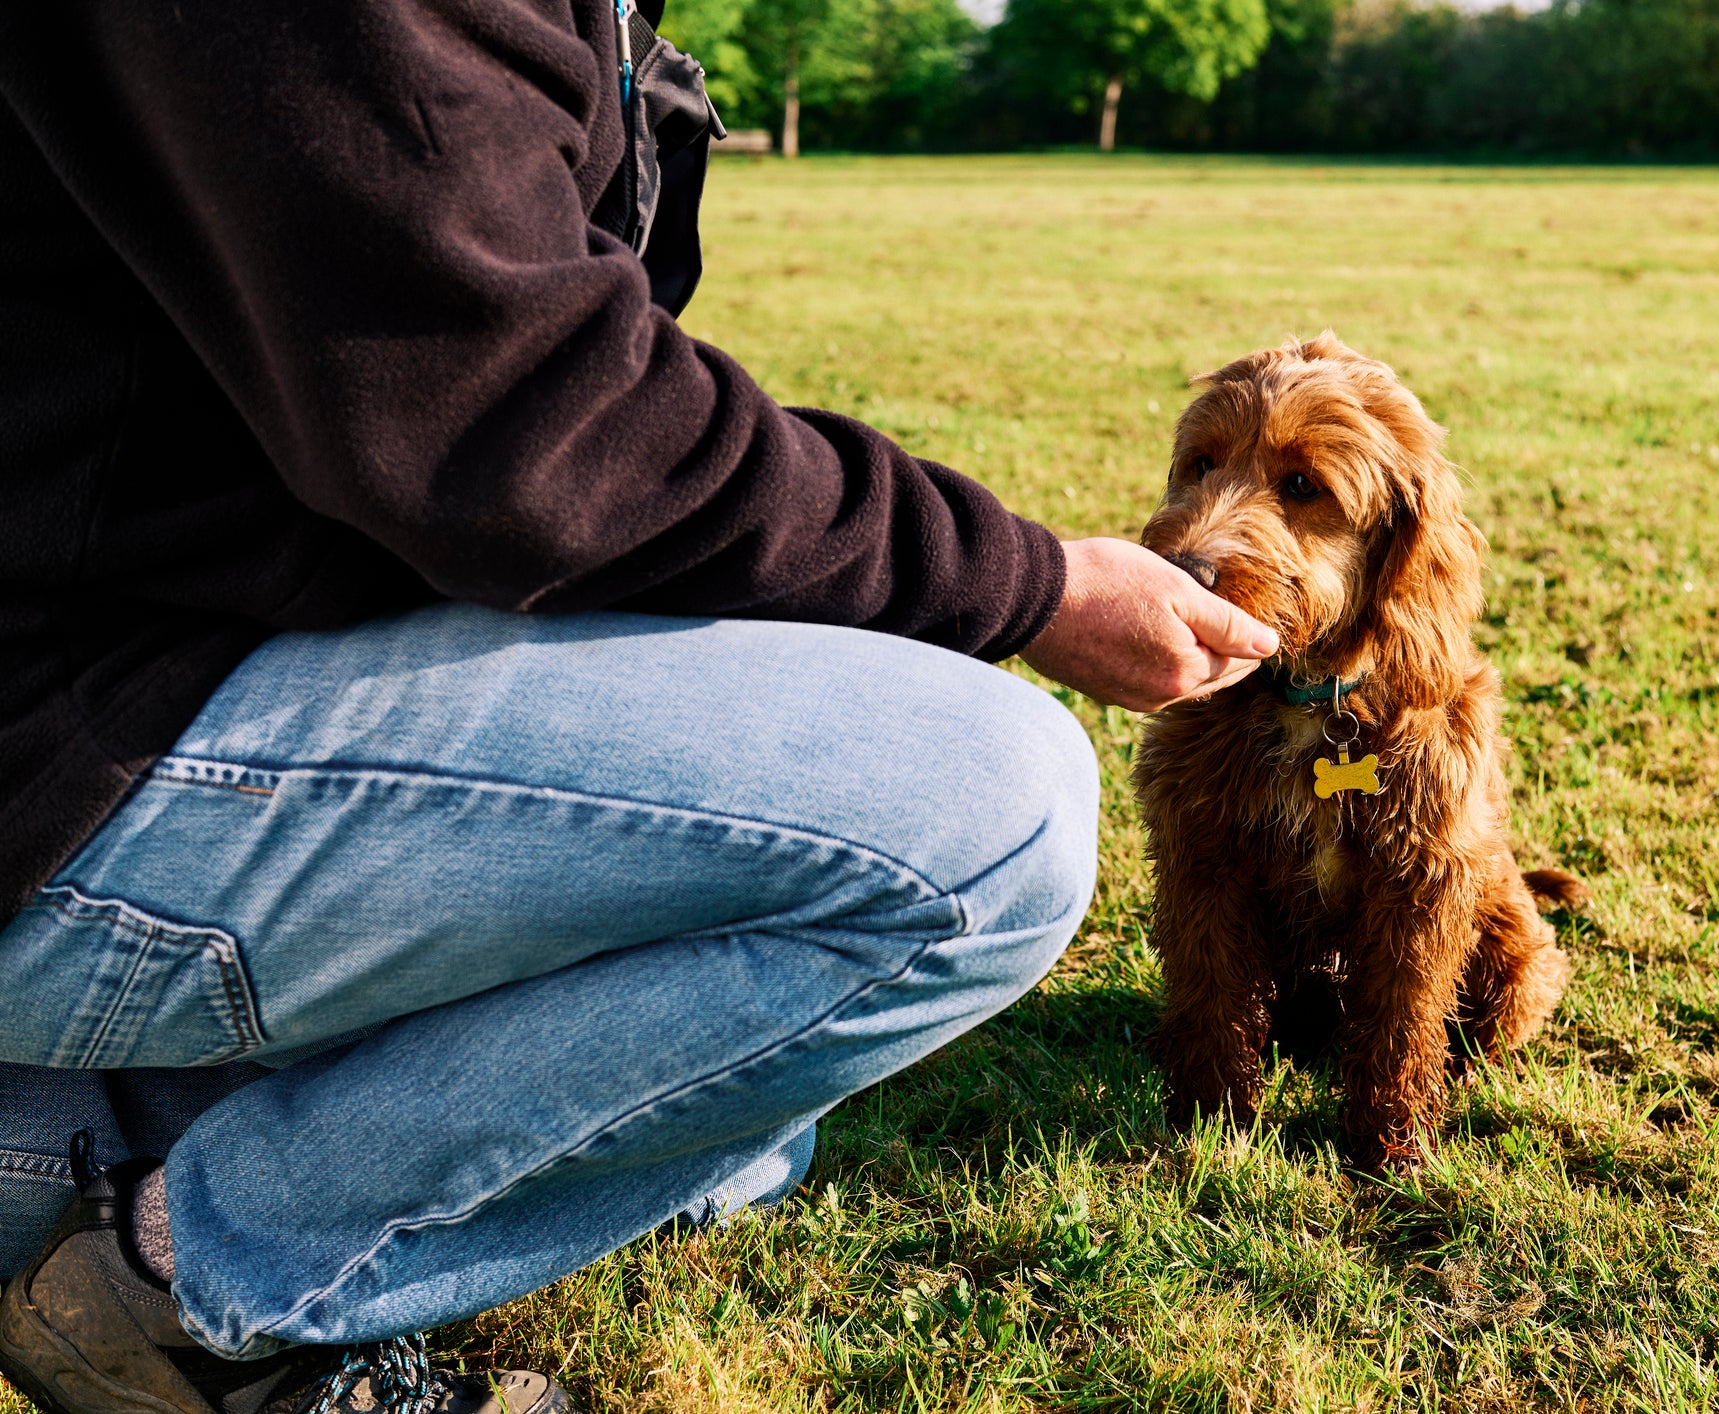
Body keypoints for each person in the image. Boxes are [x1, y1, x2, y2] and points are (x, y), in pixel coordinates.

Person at [0, 3, 1278, 1412]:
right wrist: (1027, 585)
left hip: (182, 659)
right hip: (78, 752)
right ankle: (199, 1278)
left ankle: (58, 1151)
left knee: (750, 1127)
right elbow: (529, 430)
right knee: (985, 812)